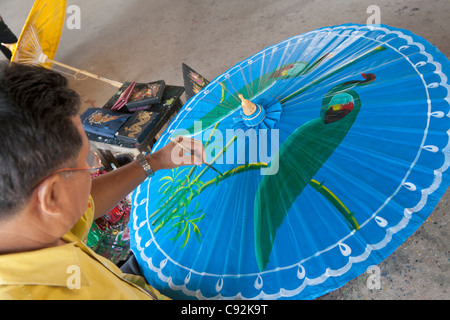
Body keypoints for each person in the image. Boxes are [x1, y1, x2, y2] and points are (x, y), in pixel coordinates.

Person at [0, 62, 206, 300]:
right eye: (87, 161)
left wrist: (155, 161)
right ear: (52, 197)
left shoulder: (25, 221)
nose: (92, 169)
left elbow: (87, 204)